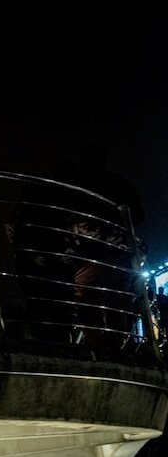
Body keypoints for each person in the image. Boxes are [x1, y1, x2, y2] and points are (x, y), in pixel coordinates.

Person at [71, 144, 145, 349]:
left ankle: (99, 349)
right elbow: (139, 215)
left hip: (90, 254)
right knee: (118, 306)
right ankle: (114, 350)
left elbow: (67, 216)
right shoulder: (120, 183)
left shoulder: (78, 186)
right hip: (118, 253)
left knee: (86, 305)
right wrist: (117, 223)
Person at [8, 162, 84, 343]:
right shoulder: (66, 201)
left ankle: (42, 347)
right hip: (52, 263)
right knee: (58, 309)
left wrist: (25, 251)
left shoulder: (35, 194)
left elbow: (11, 225)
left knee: (40, 307)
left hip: (30, 261)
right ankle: (59, 349)